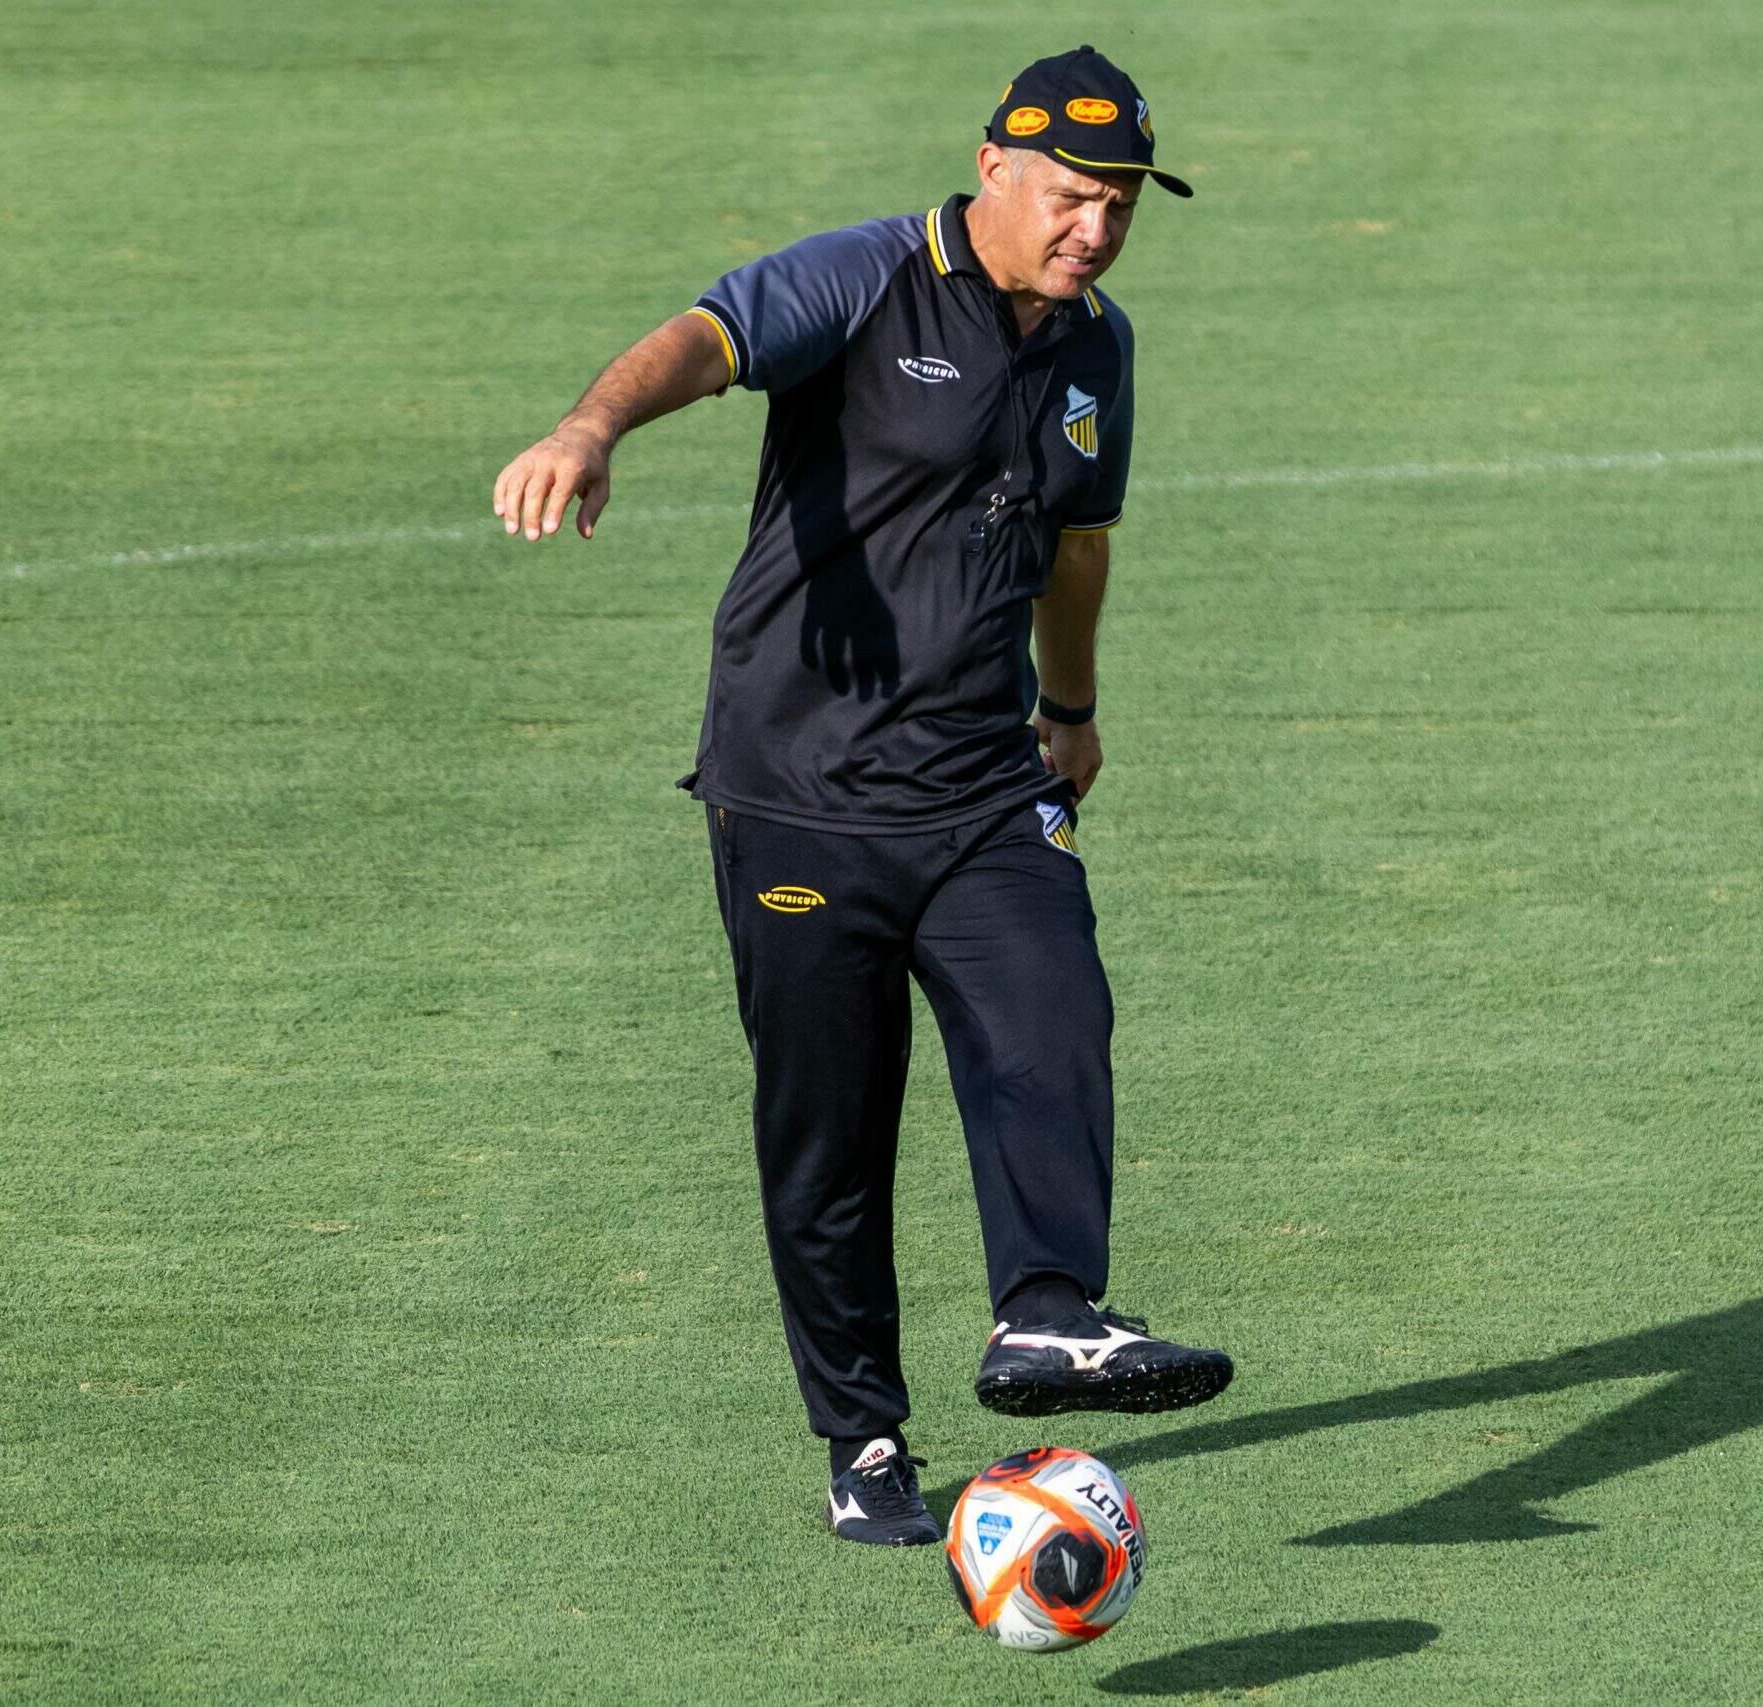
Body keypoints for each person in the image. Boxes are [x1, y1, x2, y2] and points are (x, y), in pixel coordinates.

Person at [490, 46, 1231, 1549]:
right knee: (828, 1136)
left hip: (978, 777)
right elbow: (706, 335)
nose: (1096, 227)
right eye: (1075, 196)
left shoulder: (1101, 350)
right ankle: (865, 1440)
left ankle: (1043, 1311)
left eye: (1123, 204)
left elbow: (1078, 544)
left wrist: (1070, 709)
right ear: (995, 170)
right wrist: (592, 427)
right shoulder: (872, 281)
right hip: (799, 795)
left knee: (1054, 1011)